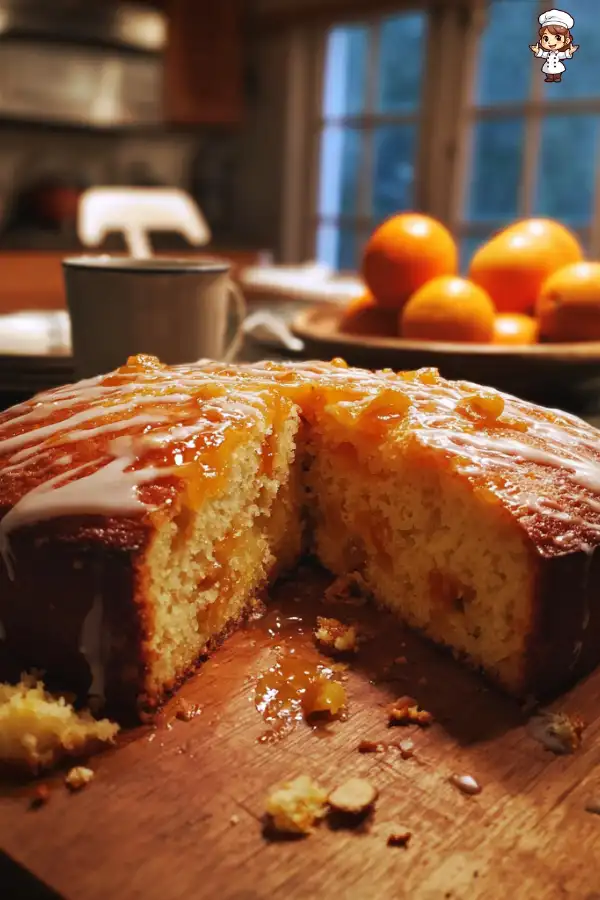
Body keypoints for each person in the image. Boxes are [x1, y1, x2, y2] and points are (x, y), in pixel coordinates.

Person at [530, 8, 578, 82]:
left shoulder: (558, 54)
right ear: (541, 40)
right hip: (548, 67)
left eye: (558, 38)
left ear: (566, 41)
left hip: (556, 67)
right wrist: (538, 51)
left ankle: (557, 77)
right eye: (546, 38)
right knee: (548, 72)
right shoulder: (548, 53)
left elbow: (563, 55)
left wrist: (569, 52)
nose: (551, 42)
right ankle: (549, 77)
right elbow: (543, 54)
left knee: (557, 73)